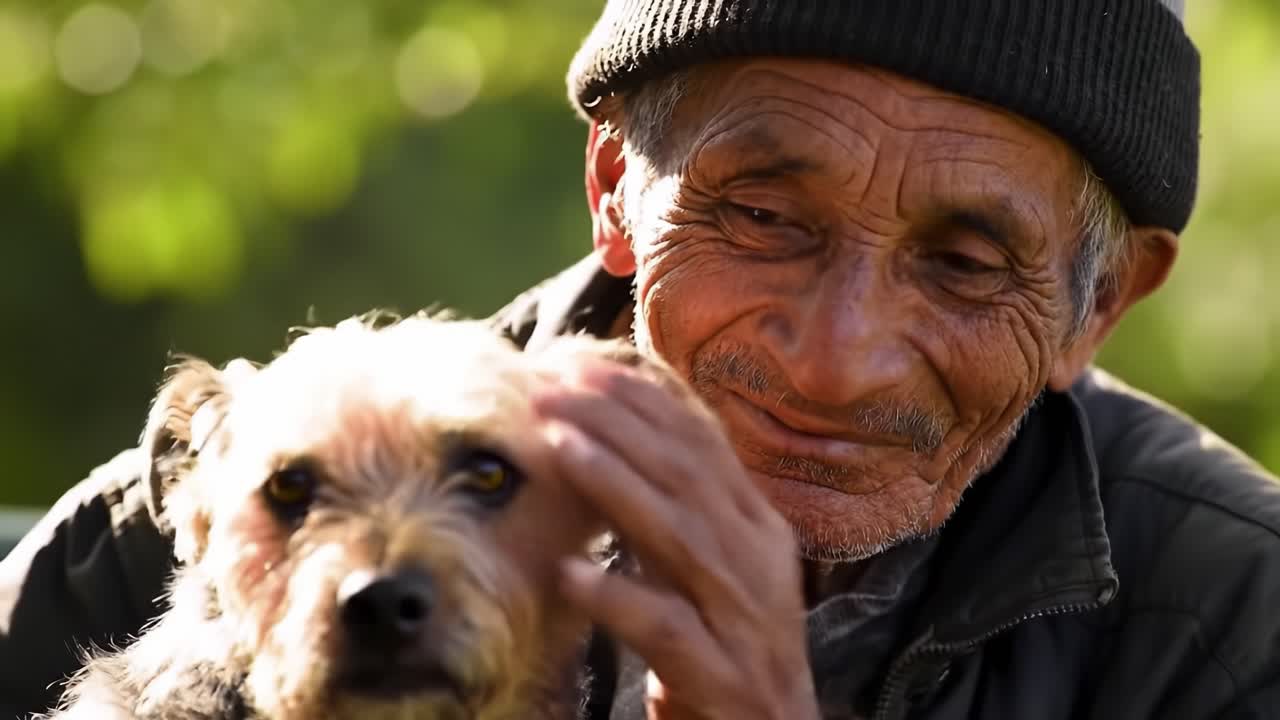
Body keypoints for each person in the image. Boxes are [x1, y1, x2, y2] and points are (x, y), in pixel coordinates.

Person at [3, 0, 1278, 718]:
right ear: (615, 185)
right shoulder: (216, 510)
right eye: (764, 218)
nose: (834, 361)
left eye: (962, 263)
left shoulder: (1226, 624)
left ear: (1095, 303)